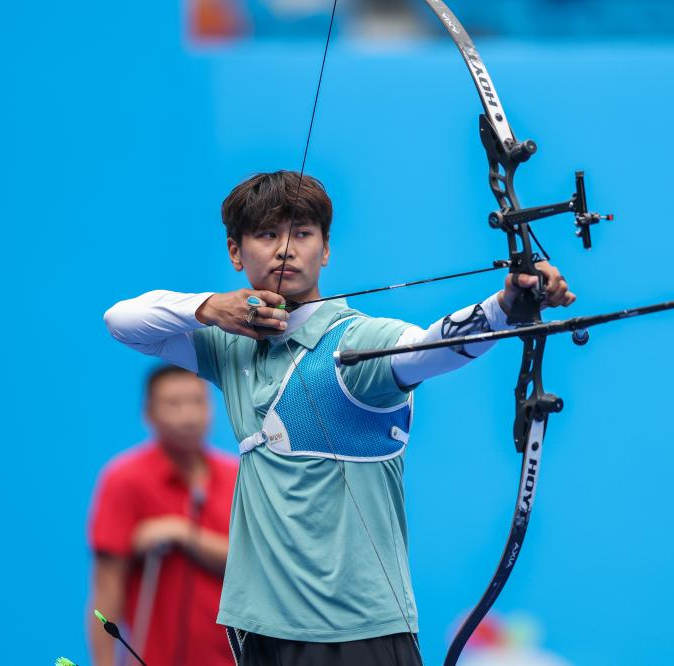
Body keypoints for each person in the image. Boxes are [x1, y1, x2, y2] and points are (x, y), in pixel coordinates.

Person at [103, 170, 575, 666]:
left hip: (355, 633)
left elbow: (425, 348)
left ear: (325, 249)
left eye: (303, 234)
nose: (285, 249)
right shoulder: (230, 345)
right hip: (262, 630)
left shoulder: (354, 343)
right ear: (235, 253)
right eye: (267, 235)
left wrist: (503, 309)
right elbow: (122, 322)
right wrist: (209, 307)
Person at [88, 365, 238, 666]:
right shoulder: (124, 480)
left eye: (197, 401)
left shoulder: (238, 476)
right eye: (173, 404)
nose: (188, 416)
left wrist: (181, 532)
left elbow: (253, 564)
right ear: (149, 413)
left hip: (236, 657)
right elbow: (107, 589)